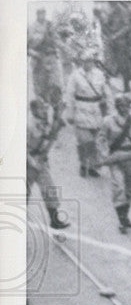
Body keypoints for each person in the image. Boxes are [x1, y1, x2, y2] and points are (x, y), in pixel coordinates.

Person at [97, 94, 131, 233]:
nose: (123, 108)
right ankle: (121, 219)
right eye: (120, 105)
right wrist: (104, 154)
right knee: (118, 187)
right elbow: (101, 139)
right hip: (116, 157)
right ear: (116, 106)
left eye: (126, 105)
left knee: (130, 189)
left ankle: (125, 214)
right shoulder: (108, 121)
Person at [26, 98, 71, 231]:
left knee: (49, 188)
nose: (44, 110)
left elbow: (49, 134)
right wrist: (31, 161)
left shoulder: (43, 120)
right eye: (40, 108)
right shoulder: (28, 124)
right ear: (34, 110)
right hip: (28, 163)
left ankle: (54, 219)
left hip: (40, 160)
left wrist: (58, 116)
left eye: (44, 108)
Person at [64, 52, 109, 177]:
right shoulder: (75, 75)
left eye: (89, 61)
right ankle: (83, 164)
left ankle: (94, 166)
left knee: (96, 141)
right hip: (81, 110)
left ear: (93, 62)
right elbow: (69, 95)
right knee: (84, 141)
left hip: (96, 111)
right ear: (80, 62)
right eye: (84, 61)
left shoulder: (99, 74)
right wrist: (70, 113)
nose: (87, 63)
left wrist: (110, 111)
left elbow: (106, 92)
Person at [28, 8, 62, 101]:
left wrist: (63, 46)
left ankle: (56, 106)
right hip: (39, 58)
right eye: (40, 13)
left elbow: (56, 39)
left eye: (44, 13)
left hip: (51, 58)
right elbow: (29, 44)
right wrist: (43, 34)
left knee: (55, 84)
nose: (42, 15)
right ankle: (42, 107)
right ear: (37, 14)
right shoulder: (32, 27)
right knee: (40, 87)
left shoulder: (50, 25)